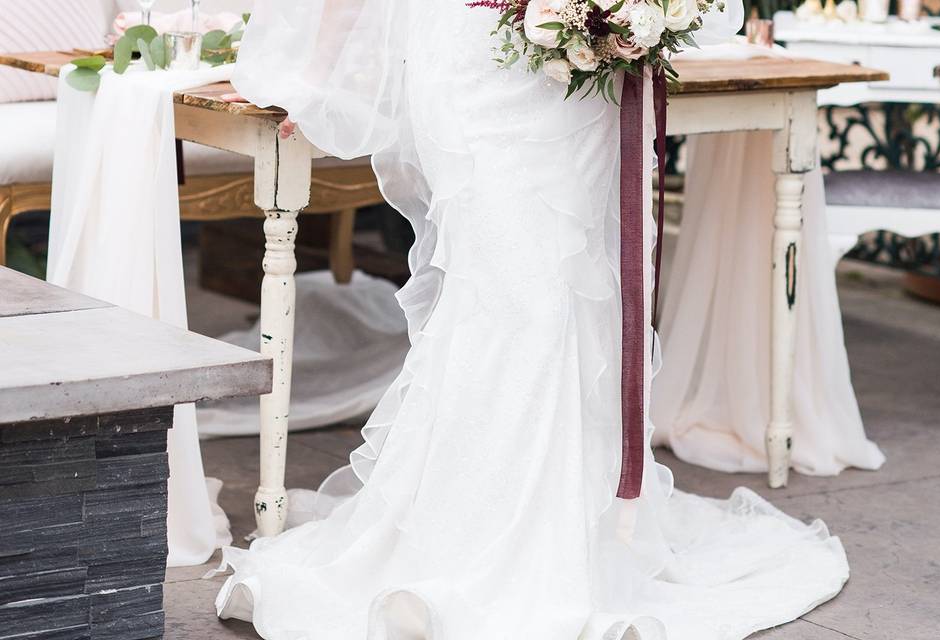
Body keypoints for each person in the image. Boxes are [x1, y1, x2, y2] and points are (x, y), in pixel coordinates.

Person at [213, 1, 850, 638]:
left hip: (581, 78)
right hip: (474, 66)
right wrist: (318, 78)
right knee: (511, 294)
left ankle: (576, 526)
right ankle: (469, 532)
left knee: (574, 291)